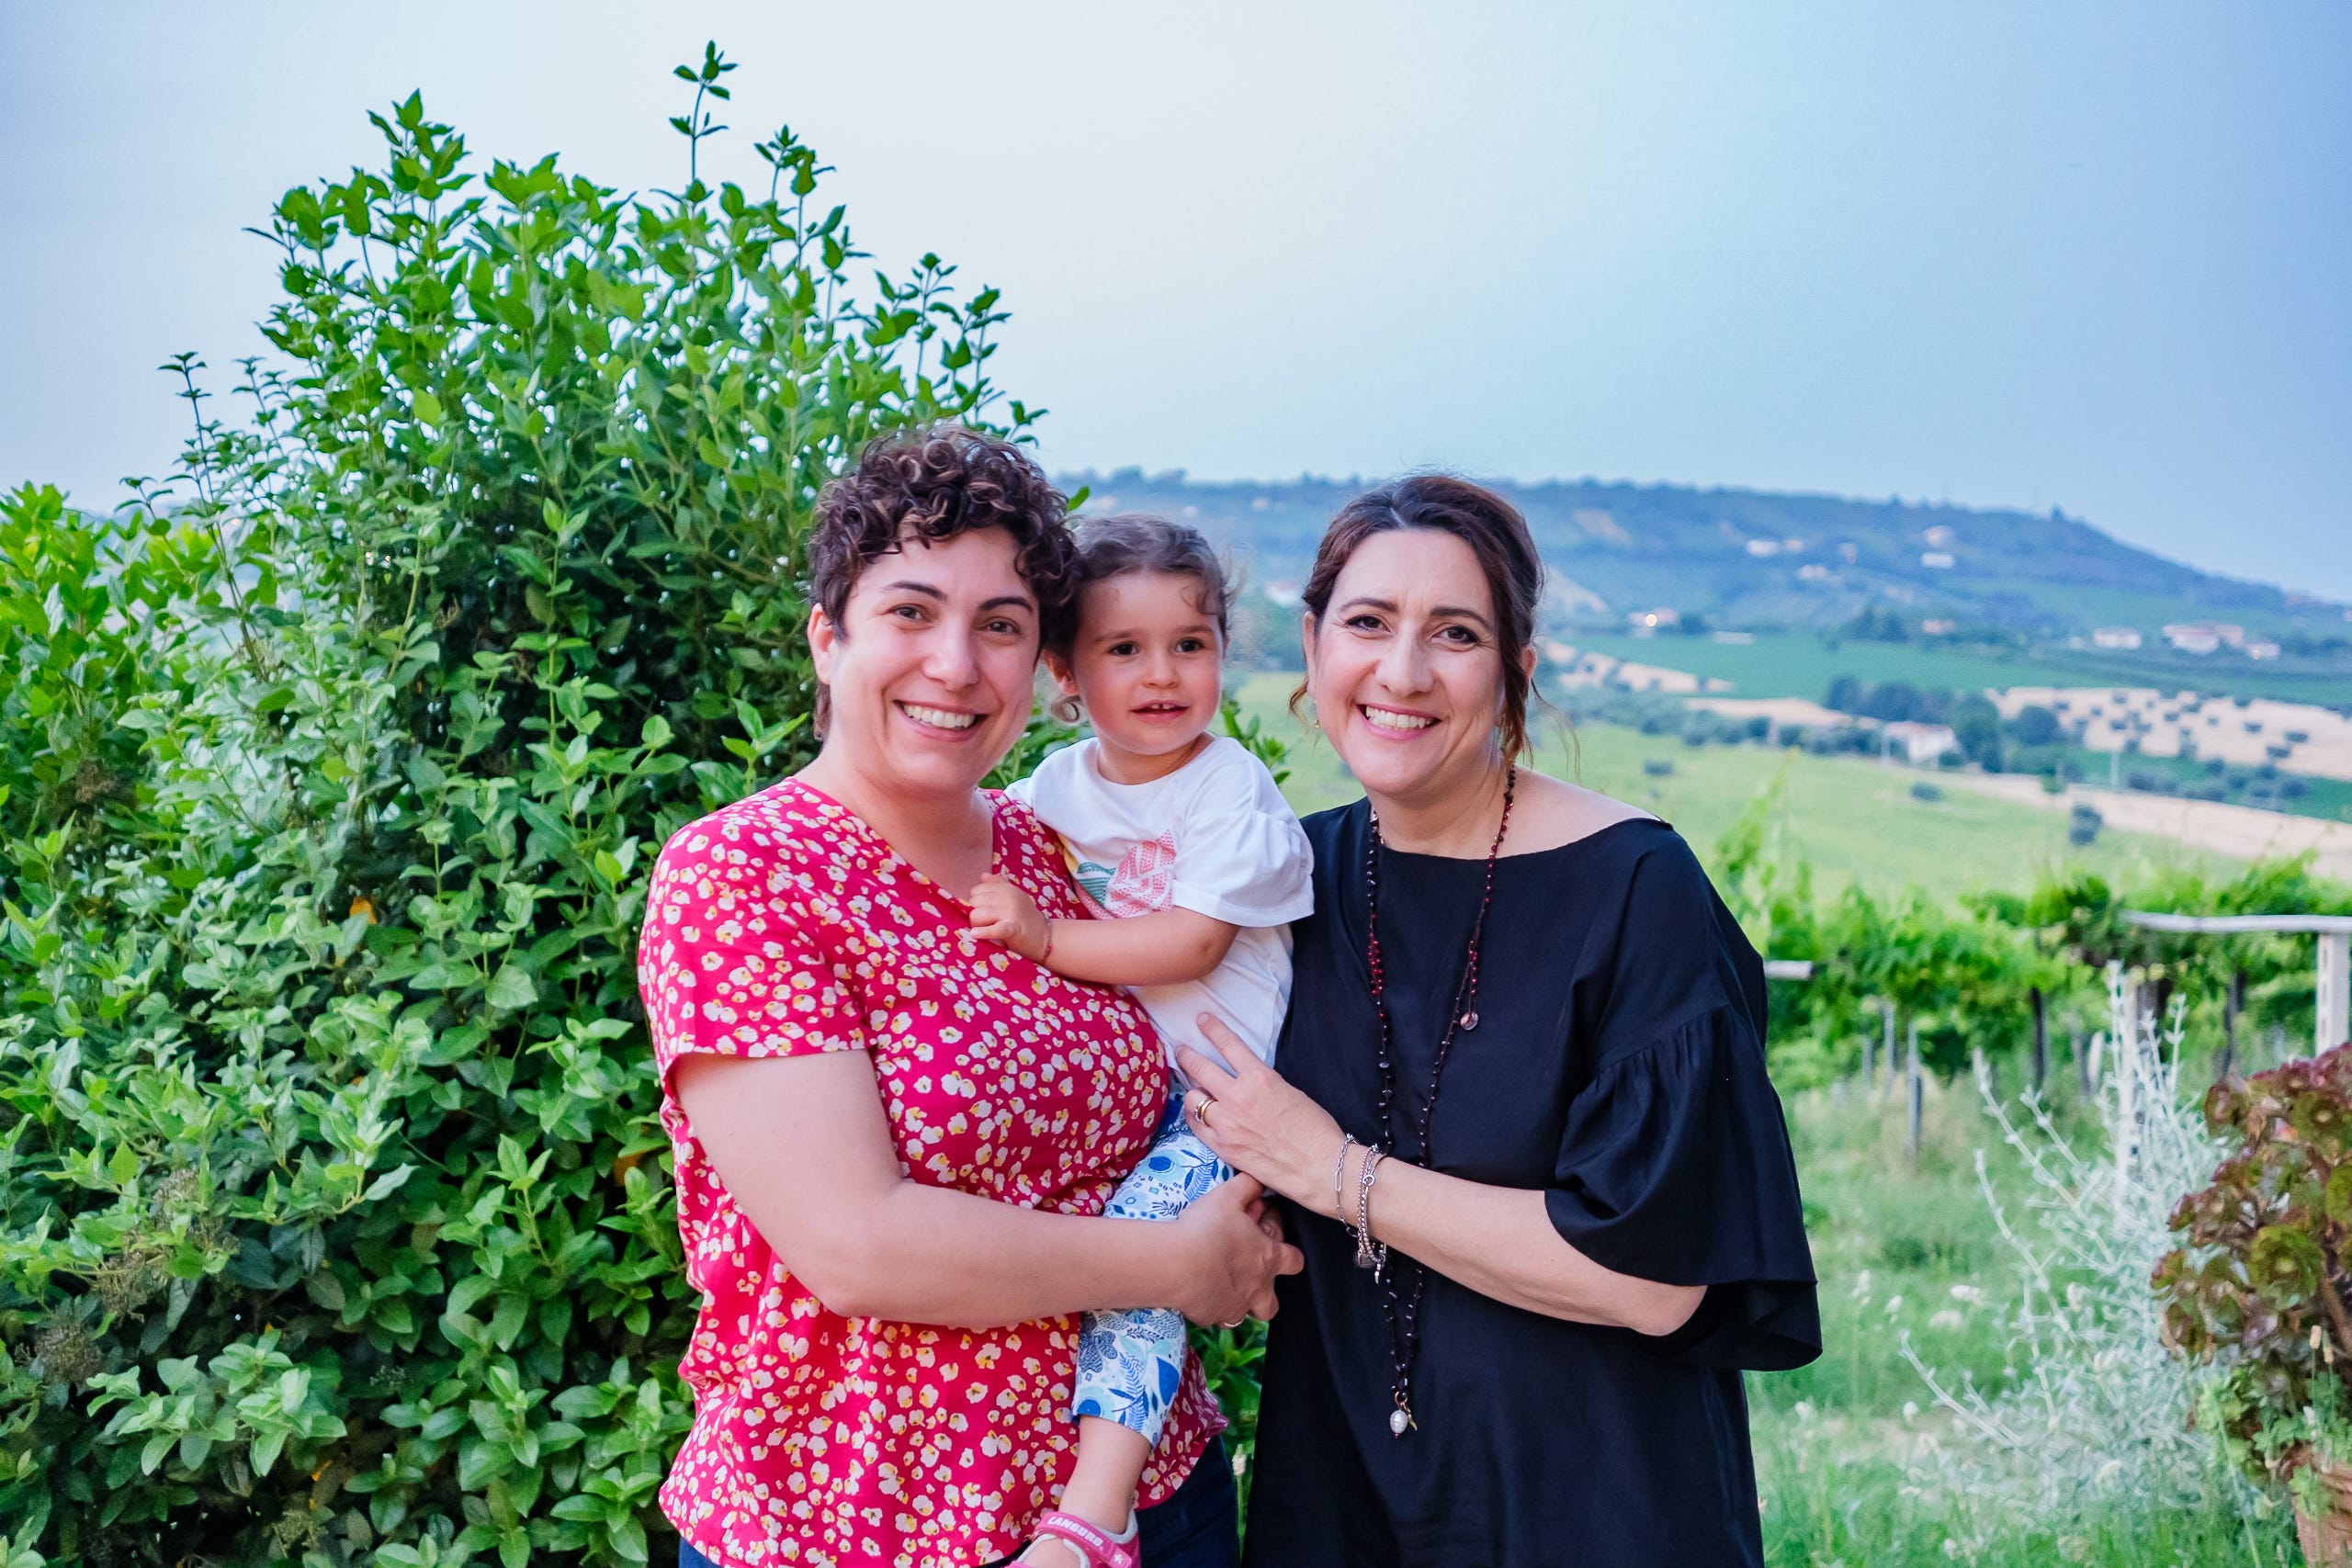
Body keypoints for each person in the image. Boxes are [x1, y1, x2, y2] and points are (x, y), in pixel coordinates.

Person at [636, 428, 1298, 1568]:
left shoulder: (1046, 852)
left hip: (1156, 1499)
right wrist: (1181, 1263)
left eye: (999, 625)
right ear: (825, 639)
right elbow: (859, 1247)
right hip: (858, 1525)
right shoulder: (745, 875)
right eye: (909, 611)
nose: (955, 663)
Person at [1175, 475, 1821, 1567]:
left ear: (1517, 668)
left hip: (1594, 1507)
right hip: (1338, 1503)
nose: (1403, 671)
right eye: (1368, 623)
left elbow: (1655, 1282)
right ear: (1312, 645)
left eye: (1455, 633)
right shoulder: (1285, 877)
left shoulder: (1637, 890)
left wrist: (1335, 1173)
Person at [966, 514, 1315, 1568]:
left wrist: (1043, 936)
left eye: (1189, 644)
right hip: (1130, 1097)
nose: (1161, 674)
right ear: (1066, 672)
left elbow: (1189, 942)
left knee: (1148, 1259)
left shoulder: (1227, 788)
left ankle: (1096, 1511)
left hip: (1216, 1096)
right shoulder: (1054, 791)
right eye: (1124, 649)